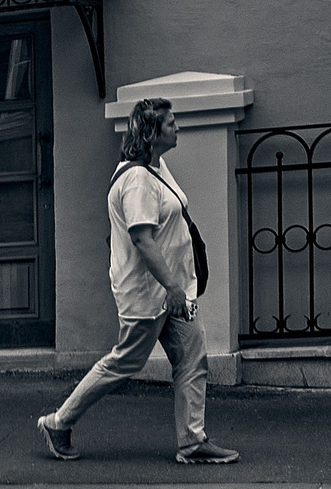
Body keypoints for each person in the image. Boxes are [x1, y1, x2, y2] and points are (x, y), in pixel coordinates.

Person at [37, 98, 238, 466]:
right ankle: (58, 422)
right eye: (171, 123)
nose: (177, 128)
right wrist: (173, 288)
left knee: (193, 359)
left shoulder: (157, 167)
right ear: (152, 132)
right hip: (152, 294)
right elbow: (142, 238)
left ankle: (192, 442)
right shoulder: (137, 180)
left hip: (176, 291)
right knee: (125, 363)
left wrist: (180, 285)